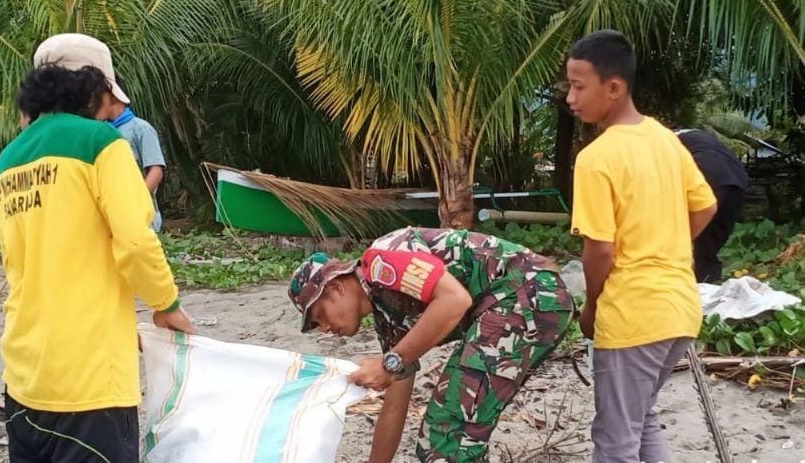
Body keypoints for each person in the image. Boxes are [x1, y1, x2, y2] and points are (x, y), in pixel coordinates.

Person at [0, 47, 195, 462]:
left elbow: (26, 267)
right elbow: (134, 241)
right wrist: (167, 305)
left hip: (24, 382)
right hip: (89, 384)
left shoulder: (3, 166)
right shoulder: (101, 142)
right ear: (91, 88)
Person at [287, 226, 574, 462]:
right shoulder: (387, 318)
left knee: (446, 433)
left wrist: (391, 362)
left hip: (526, 294)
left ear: (336, 286)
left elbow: (455, 300)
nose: (325, 328)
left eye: (319, 315)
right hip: (521, 304)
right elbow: (395, 404)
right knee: (454, 432)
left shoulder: (380, 260)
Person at [565, 30, 716, 462]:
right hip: (679, 311)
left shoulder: (596, 158)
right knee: (640, 420)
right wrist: (665, 244)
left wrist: (591, 309)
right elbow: (705, 206)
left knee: (615, 442)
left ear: (613, 87)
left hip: (632, 316)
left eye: (579, 87)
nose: (571, 99)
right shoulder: (666, 140)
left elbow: (600, 250)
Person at [34, 34, 167, 231]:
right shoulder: (97, 132)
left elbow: (156, 169)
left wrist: (136, 200)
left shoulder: (140, 129)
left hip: (135, 218)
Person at [675, 128, 749, 282]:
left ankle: (678, 283)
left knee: (675, 237)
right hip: (737, 179)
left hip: (709, 174)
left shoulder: (663, 141)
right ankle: (708, 285)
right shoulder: (698, 138)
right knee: (708, 246)